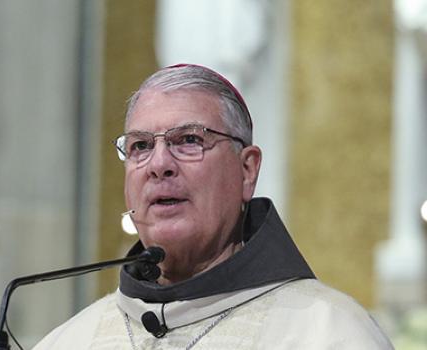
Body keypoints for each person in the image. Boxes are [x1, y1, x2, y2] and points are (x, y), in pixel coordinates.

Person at [33, 64, 393, 349]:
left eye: (189, 140)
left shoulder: (328, 333)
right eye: (141, 146)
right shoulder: (69, 340)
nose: (160, 164)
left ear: (247, 170)